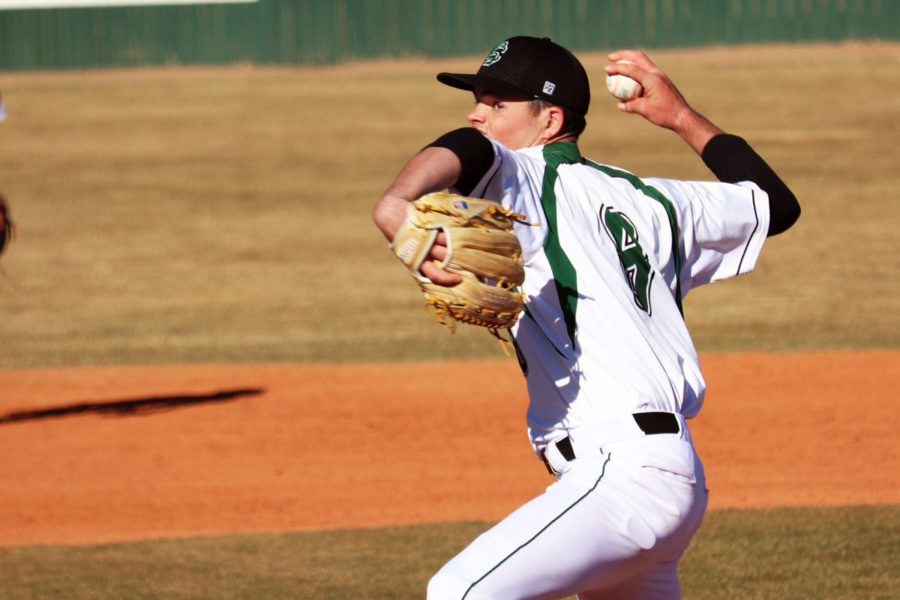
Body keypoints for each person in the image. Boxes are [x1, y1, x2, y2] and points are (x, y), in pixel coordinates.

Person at [373, 36, 799, 600]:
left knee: (460, 592)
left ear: (549, 121)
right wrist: (679, 116)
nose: (477, 113)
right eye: (477, 99)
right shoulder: (657, 201)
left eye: (498, 104)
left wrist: (397, 202)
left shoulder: (521, 176)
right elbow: (775, 203)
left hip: (622, 478)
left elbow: (466, 149)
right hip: (662, 476)